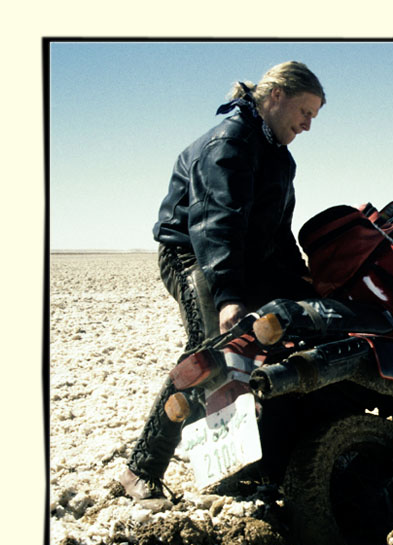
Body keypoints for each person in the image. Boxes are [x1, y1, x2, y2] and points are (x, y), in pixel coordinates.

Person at [118, 61, 326, 501]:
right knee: (213, 348)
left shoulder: (280, 157)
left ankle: (262, 454)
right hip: (193, 255)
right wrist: (228, 297)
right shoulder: (228, 144)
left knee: (296, 328)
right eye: (305, 111)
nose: (308, 125)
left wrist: (307, 285)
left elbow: (277, 233)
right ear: (276, 97)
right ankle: (142, 468)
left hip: (244, 260)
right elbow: (215, 225)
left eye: (315, 117)